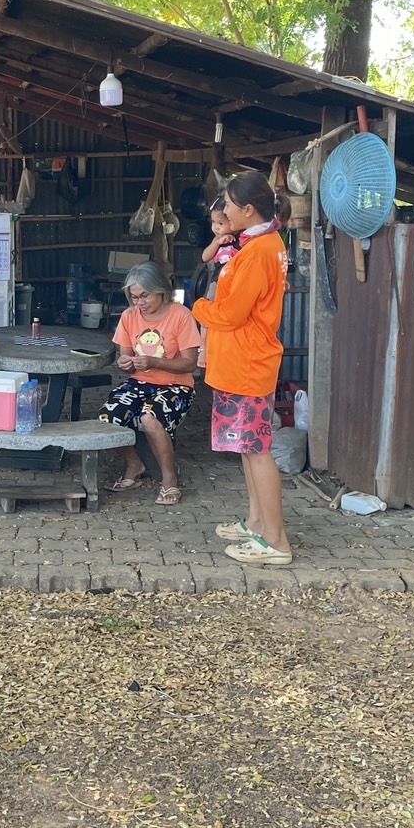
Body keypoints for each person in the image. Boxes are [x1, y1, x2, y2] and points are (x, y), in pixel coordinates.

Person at [191, 171, 292, 565]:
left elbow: (231, 313)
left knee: (256, 451)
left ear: (248, 210)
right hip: (242, 359)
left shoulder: (259, 251)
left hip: (248, 361)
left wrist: (197, 306)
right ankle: (257, 523)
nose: (224, 209)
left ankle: (276, 542)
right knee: (248, 450)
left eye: (229, 204)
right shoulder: (258, 244)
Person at [100, 261, 199, 506]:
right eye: (134, 297)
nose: (139, 303)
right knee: (107, 418)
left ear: (161, 291)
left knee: (150, 418)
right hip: (141, 382)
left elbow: (190, 364)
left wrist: (155, 362)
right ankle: (134, 465)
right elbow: (126, 356)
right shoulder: (129, 316)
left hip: (177, 385)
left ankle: (169, 480)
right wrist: (126, 363)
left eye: (145, 296)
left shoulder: (181, 315)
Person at [196, 202, 234, 369]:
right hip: (217, 282)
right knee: (207, 317)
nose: (216, 228)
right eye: (214, 223)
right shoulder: (217, 240)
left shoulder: (243, 240)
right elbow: (205, 257)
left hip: (235, 286)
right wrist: (217, 243)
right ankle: (203, 348)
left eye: (221, 223)